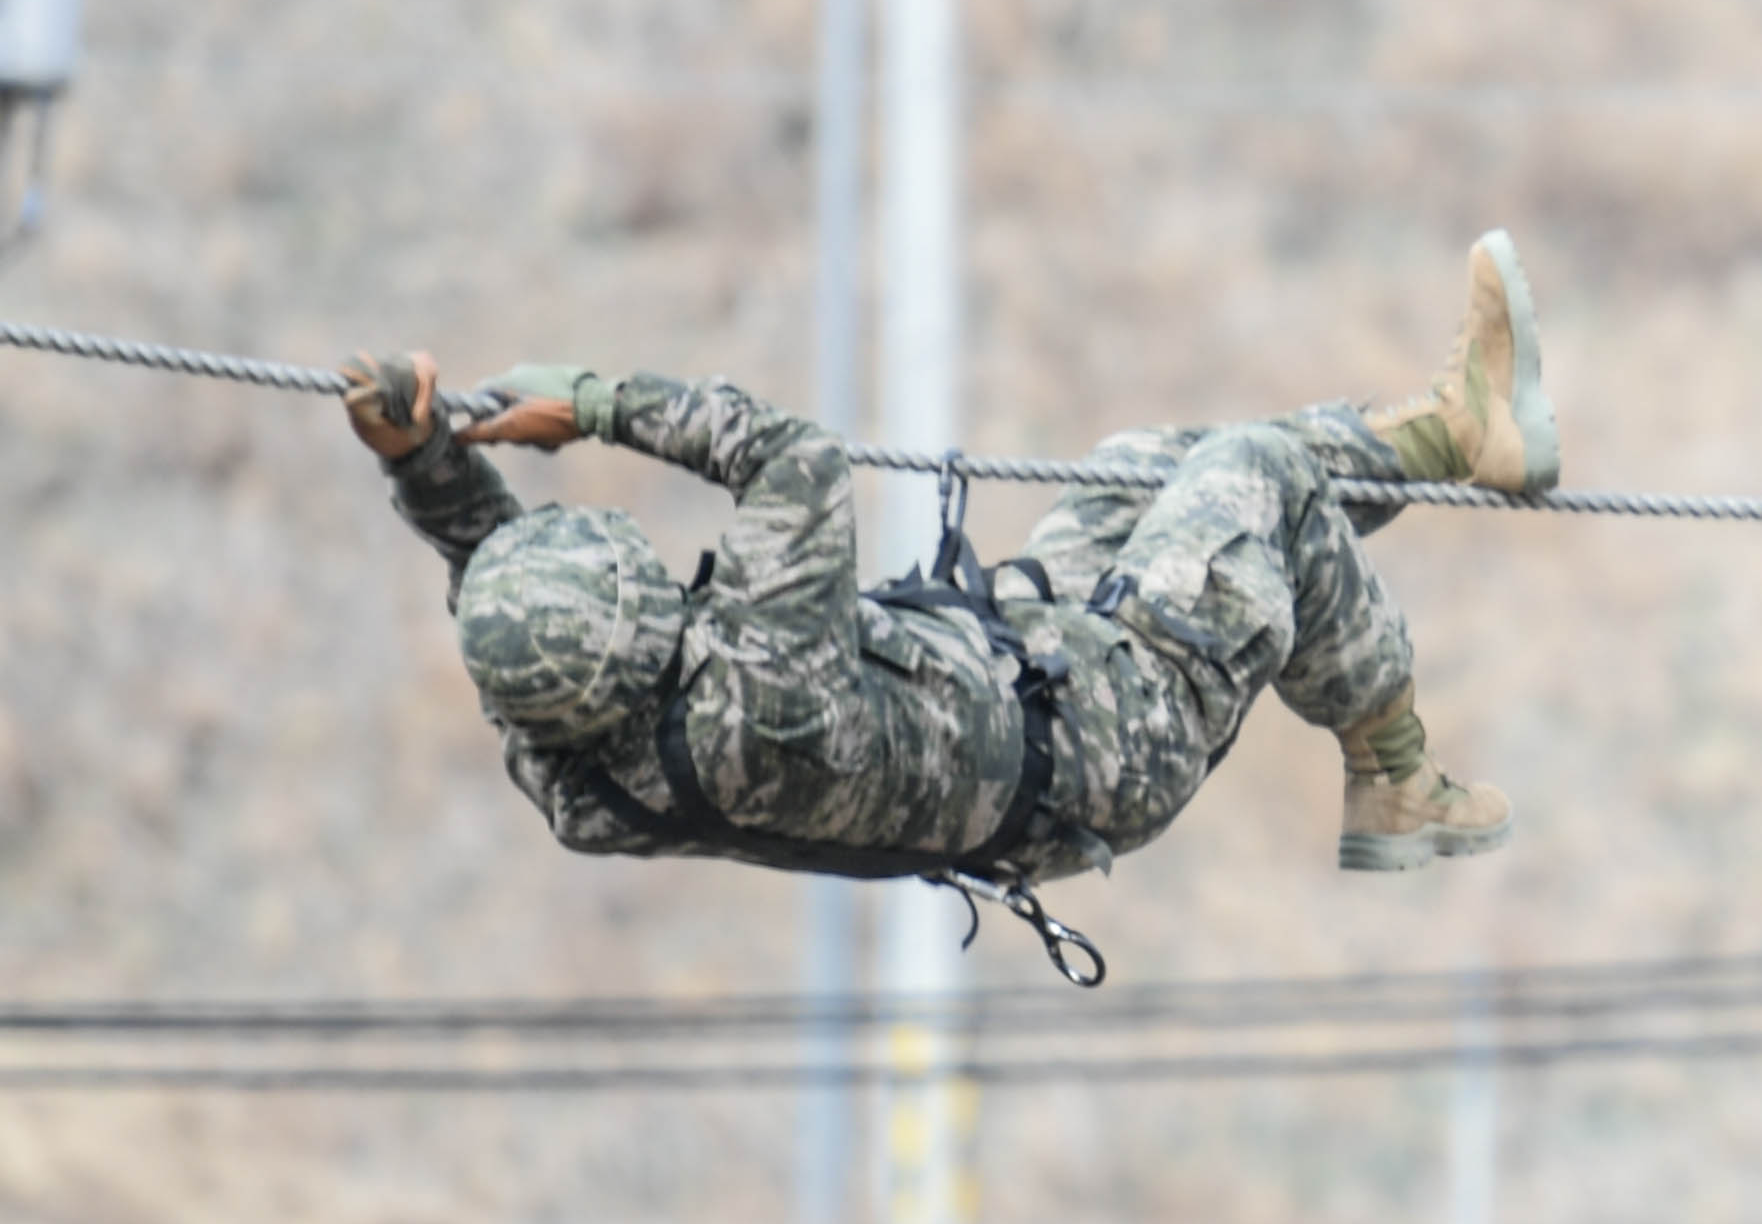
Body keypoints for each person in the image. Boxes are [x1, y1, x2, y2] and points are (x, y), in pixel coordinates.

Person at [340, 232, 1562, 928]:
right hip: (1109, 737)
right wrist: (598, 405)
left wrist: (425, 460)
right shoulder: (761, 691)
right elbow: (790, 460)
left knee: (1143, 470)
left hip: (1020, 669)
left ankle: (1458, 435)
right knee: (1257, 481)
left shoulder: (575, 766)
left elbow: (498, 597)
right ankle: (1395, 779)